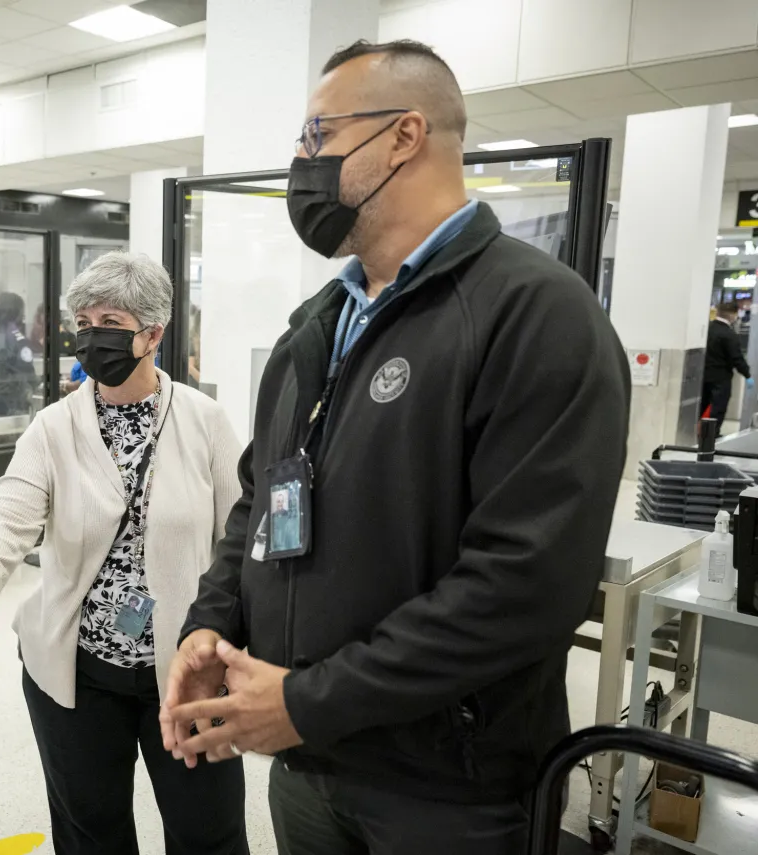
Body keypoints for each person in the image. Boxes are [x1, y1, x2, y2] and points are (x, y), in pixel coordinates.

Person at [160, 40, 630, 855]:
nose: (300, 164)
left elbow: (523, 585)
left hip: (447, 788)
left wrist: (310, 699)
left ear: (405, 135)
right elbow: (260, 501)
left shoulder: (537, 315)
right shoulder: (314, 327)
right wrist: (211, 623)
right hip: (308, 767)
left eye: (316, 137)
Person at [0, 251, 249, 855]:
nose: (91, 336)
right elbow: (8, 514)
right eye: (82, 322)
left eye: (108, 320)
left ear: (153, 333)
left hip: (187, 672)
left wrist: (239, 645)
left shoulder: (204, 421)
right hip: (77, 674)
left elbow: (241, 540)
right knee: (91, 833)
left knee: (207, 832)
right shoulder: (54, 428)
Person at [702, 300, 750, 421]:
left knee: (701, 407)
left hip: (703, 376)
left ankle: (697, 434)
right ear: (733, 315)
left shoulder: (706, 329)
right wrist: (747, 375)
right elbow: (736, 358)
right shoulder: (729, 334)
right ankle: (713, 436)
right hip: (720, 378)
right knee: (718, 408)